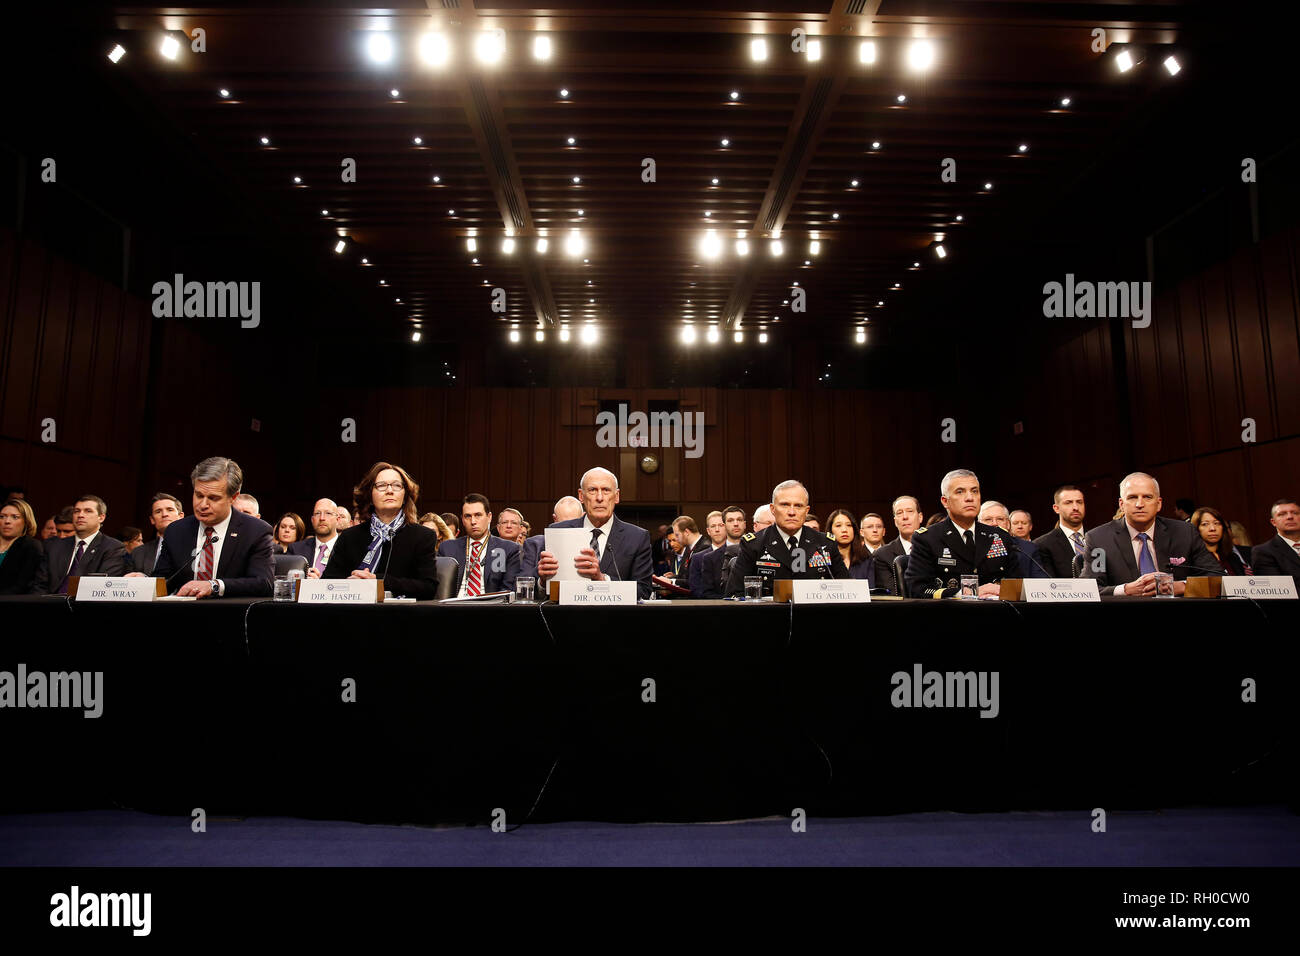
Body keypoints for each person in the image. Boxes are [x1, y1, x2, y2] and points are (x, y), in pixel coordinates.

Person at [143, 457, 274, 597]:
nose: (203, 505)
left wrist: (215, 585)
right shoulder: (176, 530)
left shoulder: (255, 531)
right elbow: (163, 582)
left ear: (233, 497)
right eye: (199, 495)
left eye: (213, 498)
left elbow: (264, 583)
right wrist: (141, 583)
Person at [1081, 472, 1222, 596]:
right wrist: (1125, 590)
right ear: (1121, 504)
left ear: (1159, 503)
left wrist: (1179, 586)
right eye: (1132, 497)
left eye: (1147, 497)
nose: (1140, 504)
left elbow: (1216, 577)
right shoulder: (1099, 539)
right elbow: (1088, 589)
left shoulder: (1185, 532)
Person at [323, 462, 441, 599]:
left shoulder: (423, 536)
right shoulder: (349, 536)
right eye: (381, 486)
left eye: (397, 485)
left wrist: (379, 582)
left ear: (404, 497)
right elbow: (328, 583)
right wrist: (350, 586)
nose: (389, 490)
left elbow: (428, 588)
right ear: (370, 496)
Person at [535, 467, 654, 599]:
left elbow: (643, 591)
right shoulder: (558, 532)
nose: (599, 498)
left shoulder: (637, 537)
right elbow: (537, 594)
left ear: (616, 496)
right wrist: (543, 582)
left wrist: (602, 580)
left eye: (606, 490)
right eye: (592, 490)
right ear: (581, 496)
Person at [905, 470, 1020, 599]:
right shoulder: (927, 538)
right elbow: (916, 589)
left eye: (975, 491)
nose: (970, 498)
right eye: (960, 492)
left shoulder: (999, 536)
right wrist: (966, 593)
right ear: (945, 501)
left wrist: (1003, 589)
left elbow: (1018, 584)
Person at [726, 480, 849, 597]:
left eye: (798, 506)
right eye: (785, 505)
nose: (791, 512)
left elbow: (847, 589)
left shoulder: (825, 543)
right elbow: (735, 594)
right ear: (773, 509)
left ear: (806, 511)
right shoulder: (753, 544)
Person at [32, 495, 127, 594]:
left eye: (88, 511)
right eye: (77, 511)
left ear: (101, 517)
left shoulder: (113, 548)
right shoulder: (54, 546)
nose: (80, 515)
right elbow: (39, 585)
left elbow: (103, 589)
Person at [438, 493, 521, 596]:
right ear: (463, 520)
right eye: (467, 516)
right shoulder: (447, 548)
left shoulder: (507, 549)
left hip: (489, 607)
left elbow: (507, 591)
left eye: (478, 515)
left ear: (489, 517)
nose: (473, 521)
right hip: (453, 606)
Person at [519, 495, 584, 583]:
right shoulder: (534, 545)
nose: (569, 529)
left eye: (573, 524)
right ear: (555, 519)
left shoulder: (593, 543)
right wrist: (541, 576)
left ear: (583, 517)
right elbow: (523, 584)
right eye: (564, 525)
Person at [978, 500, 1046, 578]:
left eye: (1000, 519)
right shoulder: (970, 547)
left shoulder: (1028, 549)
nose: (994, 523)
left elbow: (1040, 582)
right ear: (979, 523)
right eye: (988, 519)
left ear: (1008, 524)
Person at [1032, 485, 1088, 578]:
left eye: (1079, 502)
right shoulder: (1042, 545)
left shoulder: (1097, 538)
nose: (1076, 507)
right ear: (1056, 508)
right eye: (1068, 503)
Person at [874, 495, 923, 594]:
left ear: (920, 517)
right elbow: (892, 594)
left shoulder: (935, 548)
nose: (905, 517)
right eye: (899, 513)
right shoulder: (882, 555)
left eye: (910, 511)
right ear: (895, 521)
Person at [1247, 498, 1300, 585]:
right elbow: (1278, 590)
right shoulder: (1263, 552)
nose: (1290, 517)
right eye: (1282, 514)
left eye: (1295, 513)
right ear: (1273, 522)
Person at [132, 493, 185, 574]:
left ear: (181, 516)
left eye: (170, 510)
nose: (164, 514)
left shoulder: (197, 546)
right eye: (158, 511)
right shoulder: (138, 553)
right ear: (152, 519)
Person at [0, 498, 44, 594]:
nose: (7, 521)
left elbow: (23, 585)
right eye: (2, 516)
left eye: (15, 517)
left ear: (26, 521)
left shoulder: (32, 547)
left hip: (12, 603)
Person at [1190, 506, 1249, 576]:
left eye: (1216, 523)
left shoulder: (1233, 557)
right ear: (1196, 528)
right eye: (1205, 524)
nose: (1212, 528)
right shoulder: (1192, 560)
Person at [293, 499, 343, 577]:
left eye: (328, 513)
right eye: (317, 513)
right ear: (312, 520)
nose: (322, 518)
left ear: (337, 519)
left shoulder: (348, 549)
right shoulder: (296, 550)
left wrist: (320, 584)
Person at [827, 508, 876, 585]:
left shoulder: (866, 558)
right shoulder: (824, 559)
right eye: (838, 525)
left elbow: (871, 590)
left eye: (849, 525)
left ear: (854, 530)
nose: (844, 530)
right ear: (830, 531)